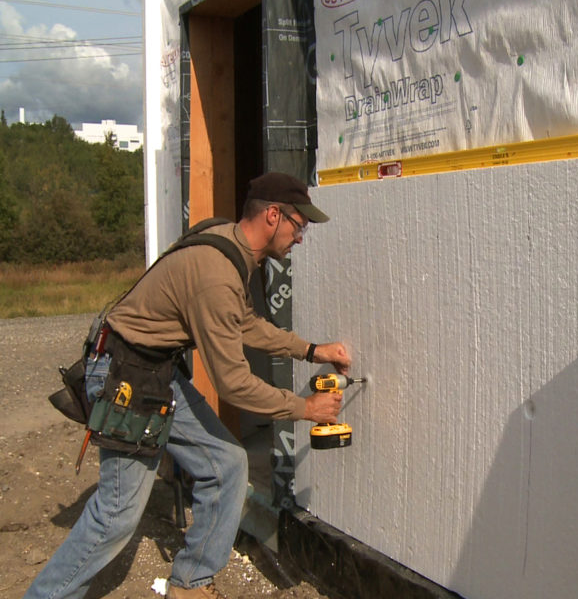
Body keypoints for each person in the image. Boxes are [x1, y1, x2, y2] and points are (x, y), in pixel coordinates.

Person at [24, 172, 351, 599]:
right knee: (116, 516)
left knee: (226, 465)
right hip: (127, 375)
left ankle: (192, 583)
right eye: (299, 225)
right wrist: (306, 409)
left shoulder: (228, 243)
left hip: (156, 371)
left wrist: (311, 351)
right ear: (274, 215)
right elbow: (233, 384)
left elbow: (245, 323)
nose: (301, 237)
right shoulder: (217, 274)